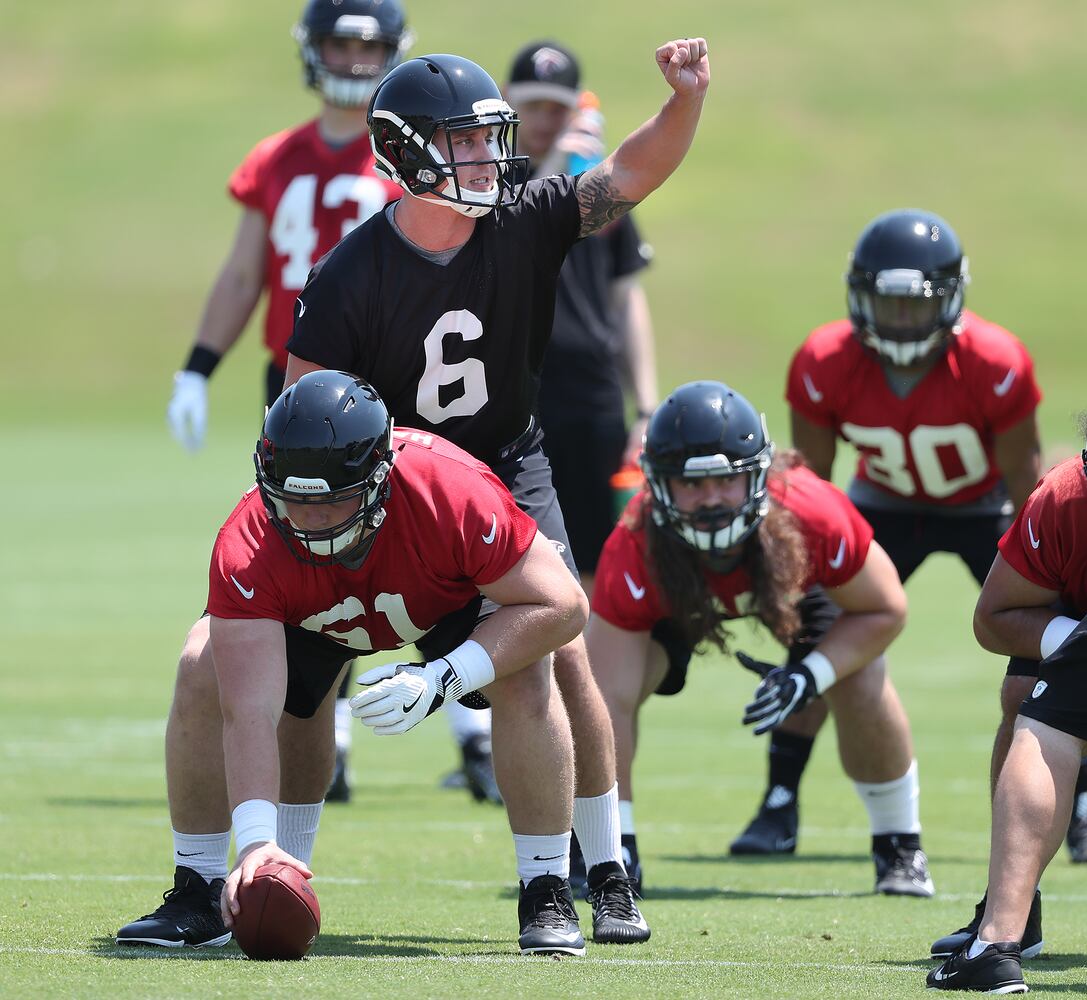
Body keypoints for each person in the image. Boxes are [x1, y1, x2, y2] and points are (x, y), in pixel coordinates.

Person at [283, 38, 710, 938]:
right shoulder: (348, 277)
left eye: (490, 140)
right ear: (405, 153)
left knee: (558, 653)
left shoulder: (522, 218)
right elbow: (303, 419)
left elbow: (631, 171)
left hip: (511, 469)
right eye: (465, 143)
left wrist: (683, 103)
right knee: (301, 666)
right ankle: (266, 867)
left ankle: (592, 868)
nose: (488, 159)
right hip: (397, 495)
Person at [118, 371, 599, 956]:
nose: (311, 521)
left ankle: (545, 888)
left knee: (528, 669)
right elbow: (249, 712)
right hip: (316, 611)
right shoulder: (250, 540)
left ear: (380, 479)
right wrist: (255, 846)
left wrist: (446, 676)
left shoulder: (450, 491)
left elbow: (564, 605)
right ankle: (202, 888)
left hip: (446, 599)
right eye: (295, 500)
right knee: (203, 659)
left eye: (333, 500)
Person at [163, 0, 435, 805]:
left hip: (392, 382)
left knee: (425, 542)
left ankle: (472, 725)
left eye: (369, 44)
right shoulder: (277, 158)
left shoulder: (403, 161)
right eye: (339, 41)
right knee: (312, 547)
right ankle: (330, 724)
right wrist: (197, 365)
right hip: (294, 391)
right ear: (312, 49)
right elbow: (245, 272)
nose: (353, 57)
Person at [752, 208, 1042, 860]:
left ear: (950, 299)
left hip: (982, 506)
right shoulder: (824, 359)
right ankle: (778, 800)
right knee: (818, 627)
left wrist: (1046, 576)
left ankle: (1081, 805)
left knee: (1050, 637)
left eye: (915, 307)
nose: (901, 320)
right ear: (859, 297)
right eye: (887, 304)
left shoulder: (994, 360)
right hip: (879, 504)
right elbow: (812, 489)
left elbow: (1028, 488)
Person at [587, 381, 936, 897]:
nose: (711, 500)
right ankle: (612, 849)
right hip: (678, 600)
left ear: (759, 476)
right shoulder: (636, 541)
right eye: (690, 484)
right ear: (658, 485)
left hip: (796, 589)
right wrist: (614, 845)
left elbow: (886, 609)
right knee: (604, 693)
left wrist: (810, 674)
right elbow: (605, 701)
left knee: (859, 674)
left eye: (726, 482)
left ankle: (899, 844)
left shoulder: (810, 510)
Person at [927, 372, 1087, 992]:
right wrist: (1081, 645)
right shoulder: (1065, 499)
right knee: (1022, 693)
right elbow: (993, 618)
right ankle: (1017, 900)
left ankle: (998, 940)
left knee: (1045, 718)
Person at [504, 39, 659, 597]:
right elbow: (521, 218)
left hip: (591, 394)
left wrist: (644, 405)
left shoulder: (597, 190)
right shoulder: (491, 184)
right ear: (506, 103)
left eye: (558, 107)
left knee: (596, 554)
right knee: (513, 553)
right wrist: (551, 165)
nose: (546, 119)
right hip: (517, 390)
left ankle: (587, 685)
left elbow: (626, 299)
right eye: (534, 105)